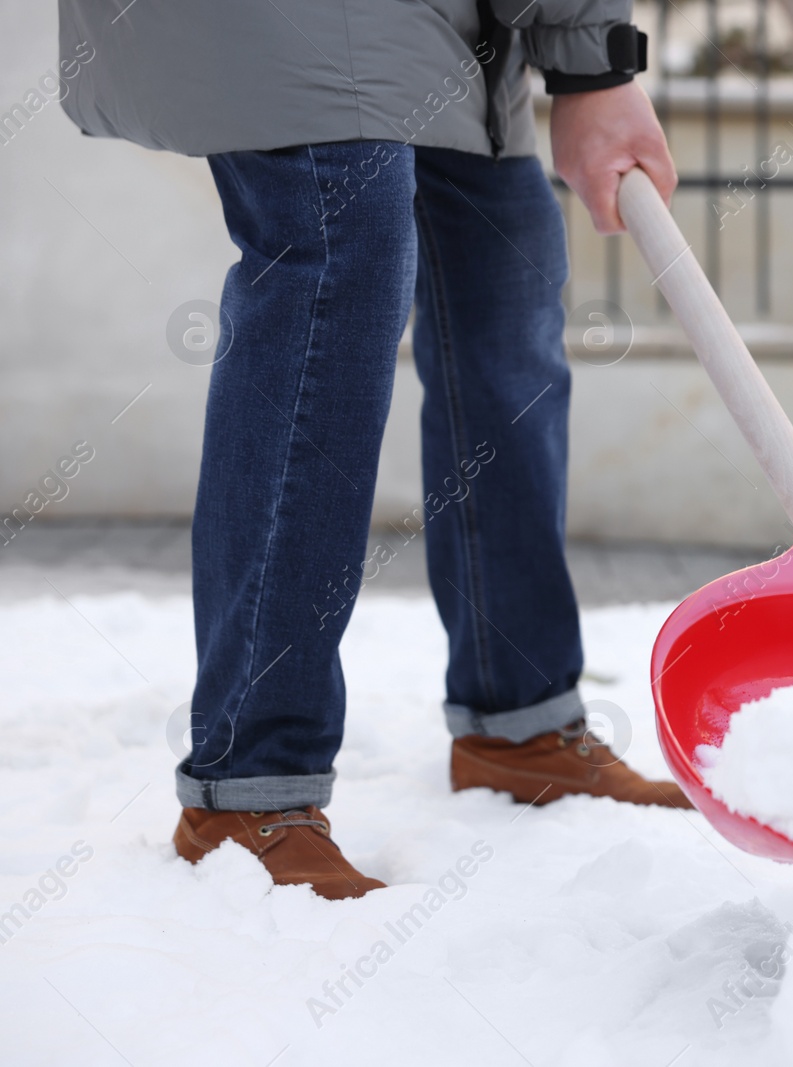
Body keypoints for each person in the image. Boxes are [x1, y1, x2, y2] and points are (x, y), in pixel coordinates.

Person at [59, 0, 685, 899]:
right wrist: (597, 72)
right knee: (335, 257)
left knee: (505, 297)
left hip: (451, 26)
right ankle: (249, 782)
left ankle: (521, 719)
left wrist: (588, 61)